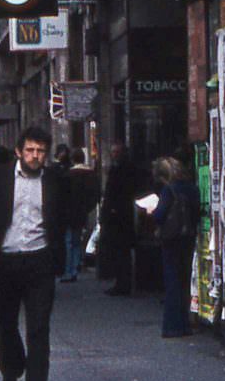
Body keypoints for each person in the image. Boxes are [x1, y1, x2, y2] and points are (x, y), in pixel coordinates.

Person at [0, 123, 67, 381]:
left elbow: (68, 211)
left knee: (39, 325)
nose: (35, 156)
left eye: (40, 151)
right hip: (6, 260)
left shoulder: (55, 180)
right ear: (18, 151)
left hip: (40, 260)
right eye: (30, 150)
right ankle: (11, 374)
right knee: (7, 321)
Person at [150, 155, 201, 338]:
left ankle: (172, 325)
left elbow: (160, 215)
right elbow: (197, 212)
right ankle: (185, 324)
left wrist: (152, 211)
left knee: (172, 281)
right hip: (188, 237)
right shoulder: (192, 188)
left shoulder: (168, 190)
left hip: (171, 239)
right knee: (184, 279)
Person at [97, 140, 141, 295]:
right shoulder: (117, 169)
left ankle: (123, 283)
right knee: (119, 252)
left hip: (120, 216)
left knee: (121, 252)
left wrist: (110, 211)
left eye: (117, 152)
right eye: (113, 152)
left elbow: (116, 193)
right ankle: (121, 281)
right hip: (117, 216)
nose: (114, 155)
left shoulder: (122, 170)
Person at [62, 148, 101, 282]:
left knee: (68, 241)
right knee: (78, 240)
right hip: (83, 211)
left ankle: (69, 270)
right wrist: (87, 208)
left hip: (68, 212)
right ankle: (76, 264)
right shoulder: (91, 174)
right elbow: (96, 194)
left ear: (73, 159)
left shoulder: (68, 175)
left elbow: (63, 196)